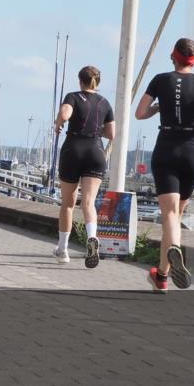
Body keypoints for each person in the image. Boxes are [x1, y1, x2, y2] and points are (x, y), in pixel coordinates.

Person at [135, 38, 194, 293]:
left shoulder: (160, 80)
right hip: (192, 149)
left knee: (169, 215)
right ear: (193, 59)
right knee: (176, 214)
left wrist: (159, 107)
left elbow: (140, 113)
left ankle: (173, 252)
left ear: (173, 56)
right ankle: (161, 276)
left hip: (167, 148)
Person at [52, 66, 115, 268]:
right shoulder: (105, 103)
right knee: (88, 202)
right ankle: (92, 237)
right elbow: (111, 134)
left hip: (74, 150)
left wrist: (58, 123)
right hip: (96, 151)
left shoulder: (73, 97)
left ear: (80, 81)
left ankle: (63, 250)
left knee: (68, 203)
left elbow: (65, 112)